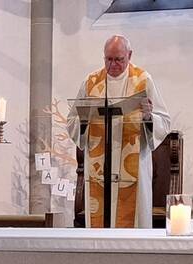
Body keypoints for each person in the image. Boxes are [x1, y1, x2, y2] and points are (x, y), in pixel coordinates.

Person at [67, 35, 171, 228]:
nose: (113, 64)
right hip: (100, 167)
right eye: (109, 59)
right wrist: (83, 120)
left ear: (129, 55)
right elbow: (72, 120)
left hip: (133, 165)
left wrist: (148, 116)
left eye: (119, 59)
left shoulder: (143, 80)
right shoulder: (91, 82)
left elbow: (164, 121)